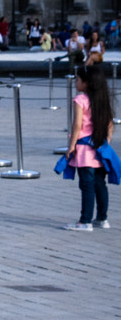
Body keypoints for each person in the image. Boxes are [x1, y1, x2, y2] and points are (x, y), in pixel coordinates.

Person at [58, 63, 117, 229]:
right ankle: (102, 218)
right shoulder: (102, 99)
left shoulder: (80, 100)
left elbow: (77, 125)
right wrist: (106, 141)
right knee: (100, 184)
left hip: (84, 149)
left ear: (86, 83)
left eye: (78, 79)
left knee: (87, 185)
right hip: (100, 147)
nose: (76, 82)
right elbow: (110, 124)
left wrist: (71, 146)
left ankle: (85, 221)